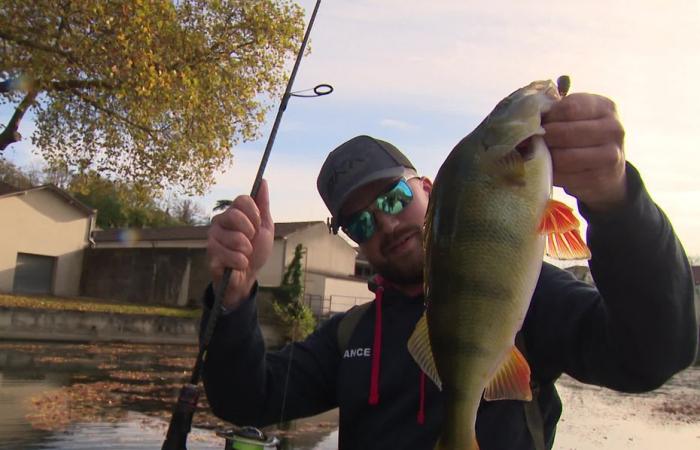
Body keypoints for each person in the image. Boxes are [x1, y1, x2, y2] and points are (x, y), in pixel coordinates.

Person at [201, 92, 698, 449]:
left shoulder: (529, 296)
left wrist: (617, 205)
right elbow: (247, 399)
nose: (386, 222)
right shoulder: (352, 334)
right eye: (360, 221)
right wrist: (236, 297)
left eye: (394, 197)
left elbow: (652, 357)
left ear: (431, 189)